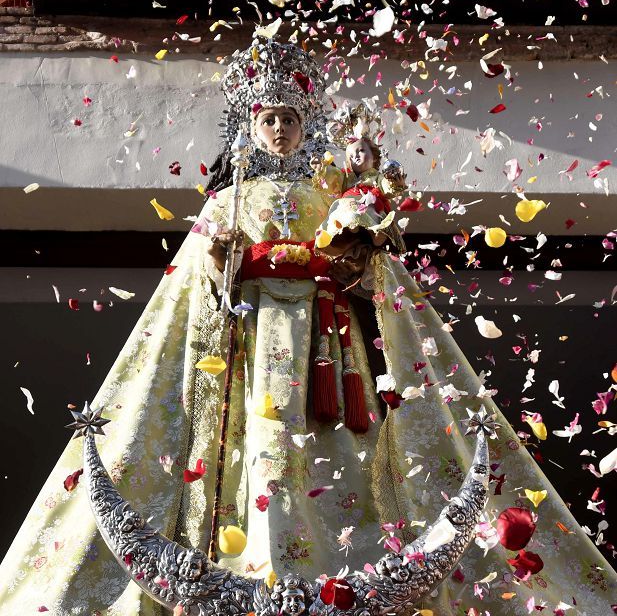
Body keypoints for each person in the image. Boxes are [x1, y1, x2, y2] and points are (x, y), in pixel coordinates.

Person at [0, 40, 615, 616]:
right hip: (257, 335)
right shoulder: (230, 198)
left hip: (329, 340)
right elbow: (203, 278)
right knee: (259, 435)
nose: (280, 129)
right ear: (250, 126)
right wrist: (229, 262)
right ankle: (259, 551)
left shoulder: (331, 194)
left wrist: (357, 247)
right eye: (269, 119)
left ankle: (347, 552)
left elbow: (362, 273)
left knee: (337, 439)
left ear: (306, 127)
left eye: (290, 120)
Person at [314, 135, 407, 259]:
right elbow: (333, 178)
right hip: (346, 209)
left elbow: (386, 187)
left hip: (370, 207)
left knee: (366, 211)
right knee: (342, 209)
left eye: (361, 151)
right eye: (351, 156)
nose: (355, 156)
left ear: (374, 157)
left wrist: (395, 184)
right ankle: (341, 235)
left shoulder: (377, 177)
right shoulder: (346, 177)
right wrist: (323, 169)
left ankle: (376, 233)